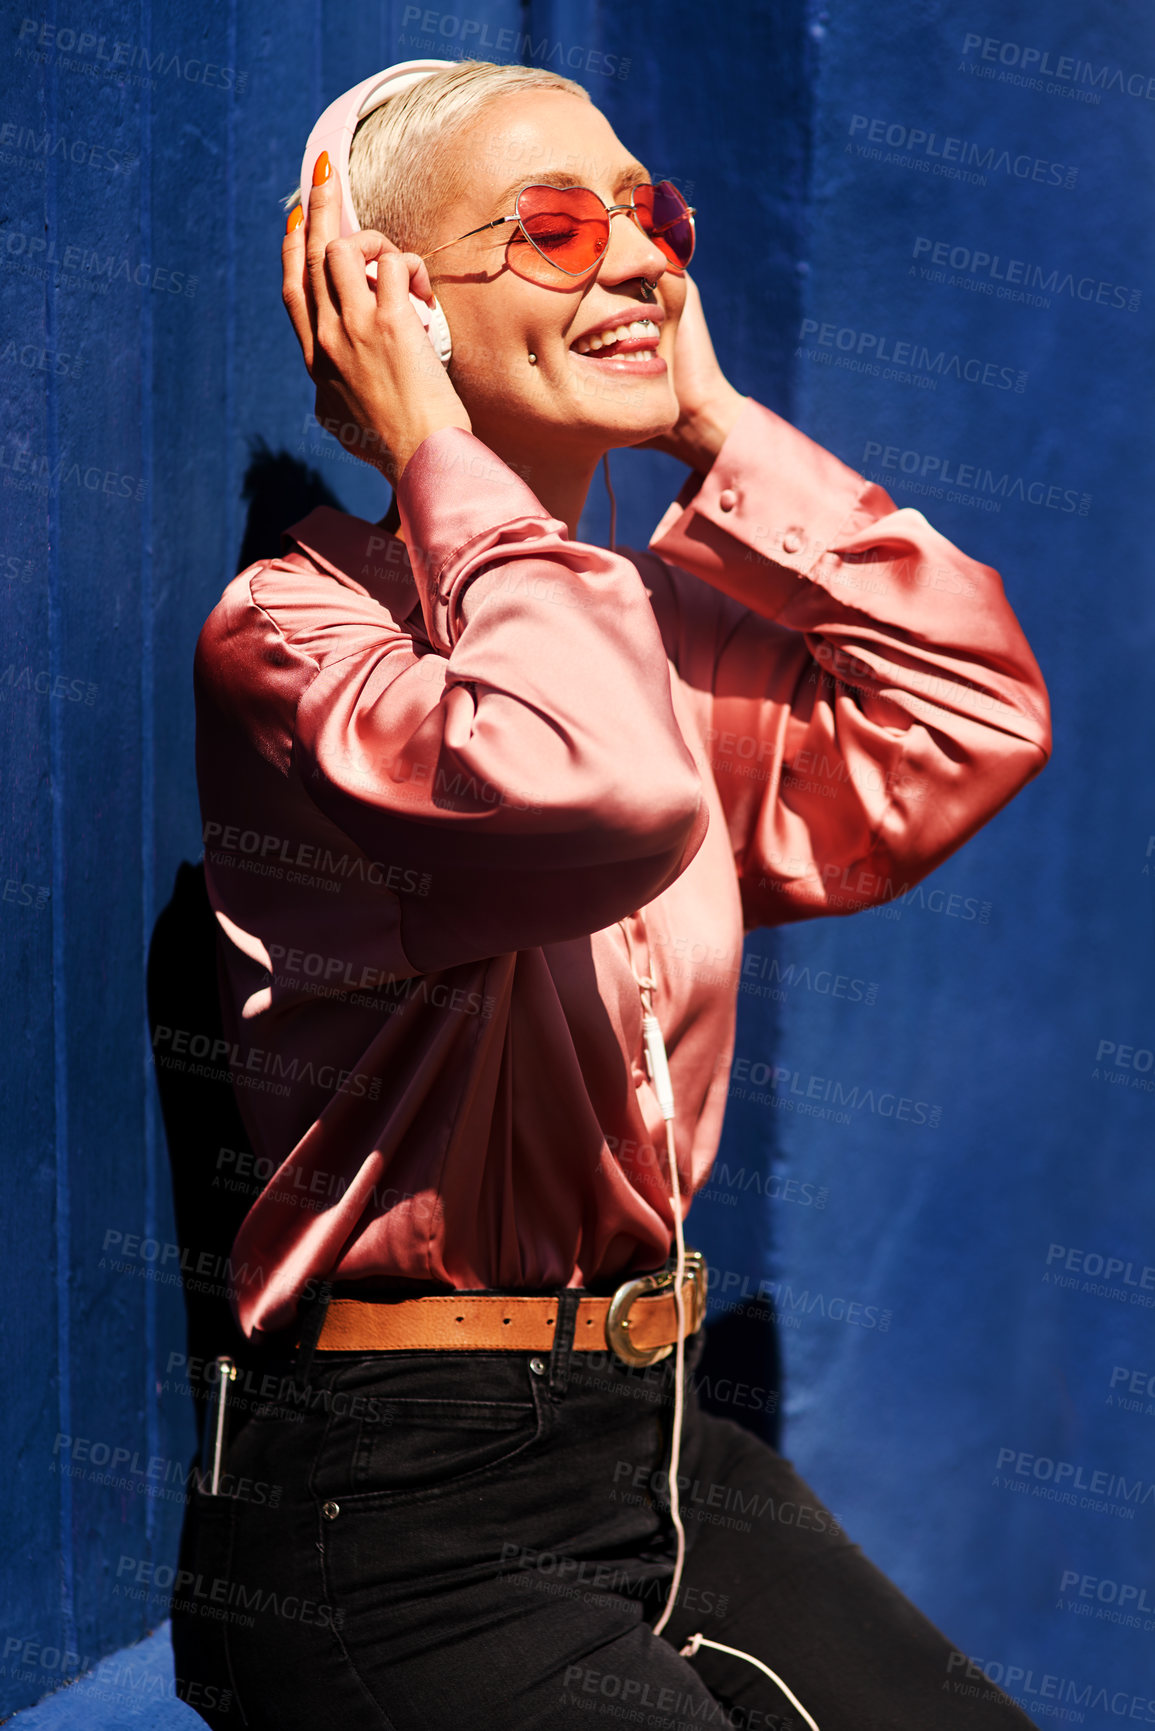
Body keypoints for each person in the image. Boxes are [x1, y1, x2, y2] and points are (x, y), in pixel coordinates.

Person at [173, 57, 1052, 1731]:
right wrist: (434, 440)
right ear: (393, 300)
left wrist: (714, 422)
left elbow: (972, 714)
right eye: (561, 230)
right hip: (397, 1517)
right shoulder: (294, 645)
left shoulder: (633, 633)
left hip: (650, 1456)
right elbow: (597, 782)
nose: (645, 261)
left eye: (652, 218)